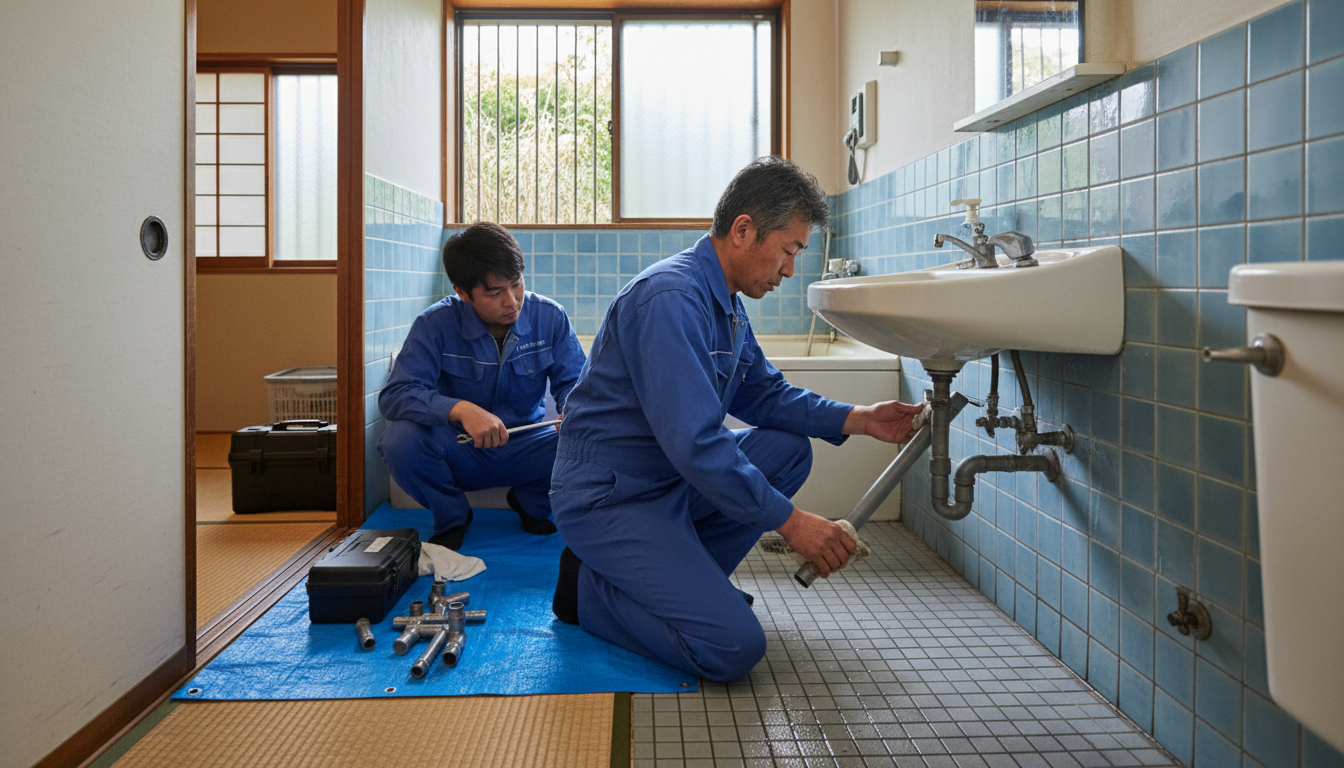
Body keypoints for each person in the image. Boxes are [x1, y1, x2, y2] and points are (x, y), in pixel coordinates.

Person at [548, 156, 926, 683]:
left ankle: (683, 583)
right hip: (612, 497)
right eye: (789, 250)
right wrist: (793, 523)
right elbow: (697, 444)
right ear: (743, 230)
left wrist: (860, 418)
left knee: (787, 450)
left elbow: (765, 394)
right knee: (732, 646)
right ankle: (587, 591)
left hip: (666, 483)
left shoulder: (724, 304)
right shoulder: (670, 300)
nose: (790, 270)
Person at [378, 222, 586, 550]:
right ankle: (453, 517)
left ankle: (532, 501)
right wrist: (461, 410)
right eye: (494, 293)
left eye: (516, 284)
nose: (512, 301)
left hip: (527, 445)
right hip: (461, 448)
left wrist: (572, 410)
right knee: (399, 441)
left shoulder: (550, 317)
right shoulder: (434, 324)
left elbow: (575, 383)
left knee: (592, 429)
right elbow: (396, 395)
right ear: (463, 293)